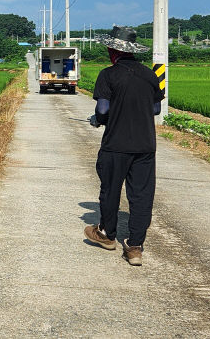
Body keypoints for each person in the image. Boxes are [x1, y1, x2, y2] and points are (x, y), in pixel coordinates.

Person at [83, 25, 163, 266]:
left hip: (116, 144)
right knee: (141, 195)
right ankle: (135, 246)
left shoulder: (108, 74)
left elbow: (103, 109)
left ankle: (107, 234)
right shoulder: (150, 75)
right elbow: (156, 109)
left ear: (112, 50)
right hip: (145, 145)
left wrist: (98, 119)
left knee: (111, 189)